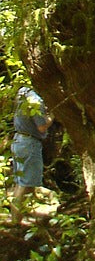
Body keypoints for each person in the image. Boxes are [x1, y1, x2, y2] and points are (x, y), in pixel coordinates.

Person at [10, 84, 50, 223]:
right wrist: (52, 117)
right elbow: (42, 127)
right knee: (25, 184)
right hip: (29, 143)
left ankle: (17, 218)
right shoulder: (35, 101)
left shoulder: (23, 93)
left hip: (18, 140)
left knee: (20, 182)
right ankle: (16, 221)